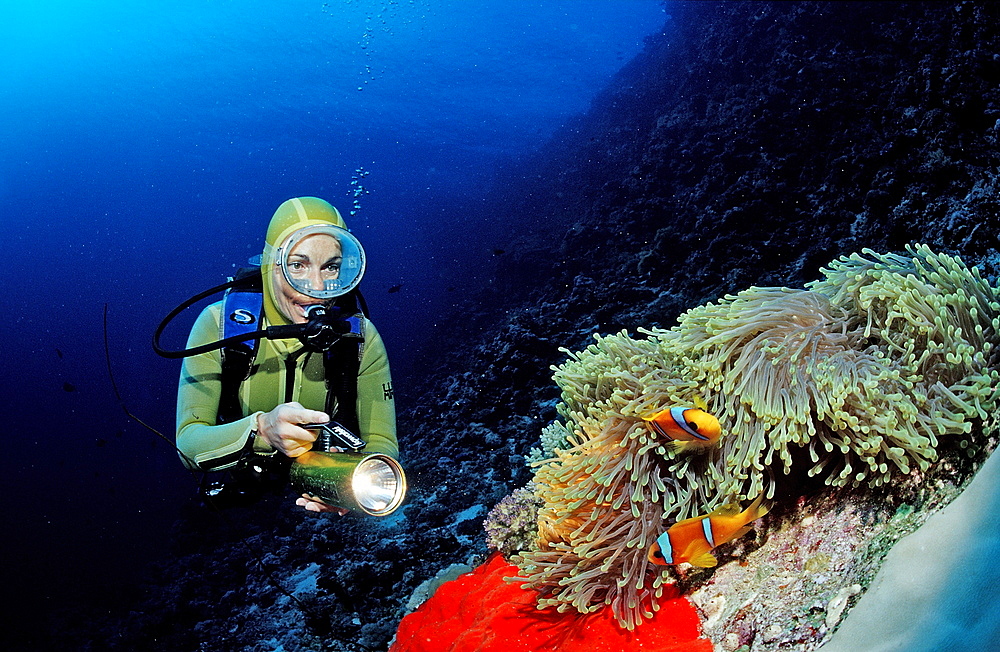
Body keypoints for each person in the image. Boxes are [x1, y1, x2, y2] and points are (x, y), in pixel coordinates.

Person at [175, 196, 398, 512]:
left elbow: (382, 444)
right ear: (270, 266)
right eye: (298, 265)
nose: (316, 287)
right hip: (241, 475)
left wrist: (353, 487)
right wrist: (262, 429)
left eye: (331, 267)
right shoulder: (218, 326)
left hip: (317, 468)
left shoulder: (362, 339)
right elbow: (188, 445)